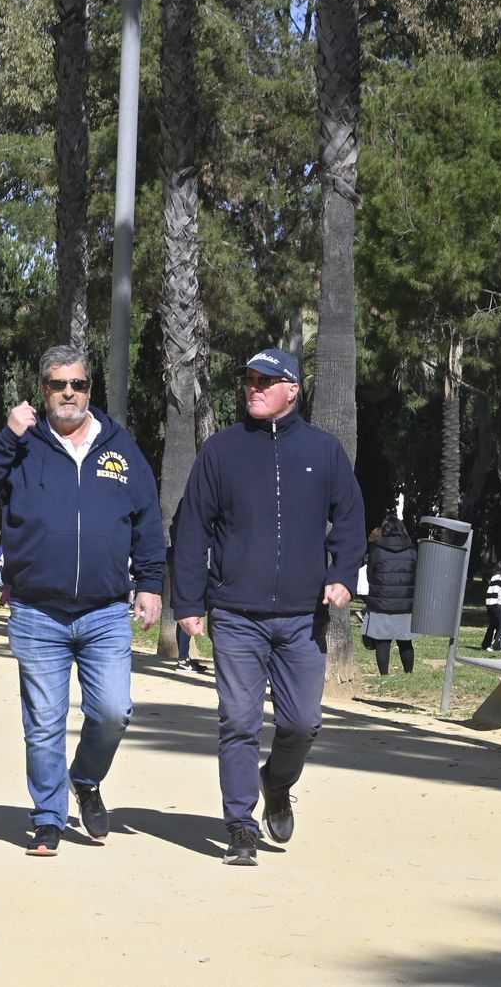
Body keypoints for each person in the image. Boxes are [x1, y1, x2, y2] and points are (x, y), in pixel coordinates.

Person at [0, 344, 165, 857]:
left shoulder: (119, 447)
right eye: (57, 384)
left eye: (77, 384)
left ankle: (86, 779)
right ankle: (48, 818)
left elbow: (147, 518)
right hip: (37, 611)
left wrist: (151, 583)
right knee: (44, 724)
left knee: (113, 711)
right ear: (42, 390)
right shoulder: (22, 444)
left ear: (89, 390)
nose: (68, 393)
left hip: (106, 610)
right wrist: (8, 435)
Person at [171, 348, 366, 867]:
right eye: (249, 380)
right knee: (239, 720)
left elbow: (350, 520)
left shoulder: (324, 451)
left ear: (292, 389)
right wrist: (188, 601)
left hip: (304, 617)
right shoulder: (221, 451)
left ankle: (276, 784)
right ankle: (240, 823)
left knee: (302, 724)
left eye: (265, 381)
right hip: (236, 614)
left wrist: (342, 575)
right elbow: (192, 529)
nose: (253, 388)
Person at [362, 516, 417, 675]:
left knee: (382, 640)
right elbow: (417, 575)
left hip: (381, 601)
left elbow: (370, 576)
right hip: (405, 603)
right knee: (405, 640)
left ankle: (384, 675)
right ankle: (408, 674)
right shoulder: (411, 550)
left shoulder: (377, 550)